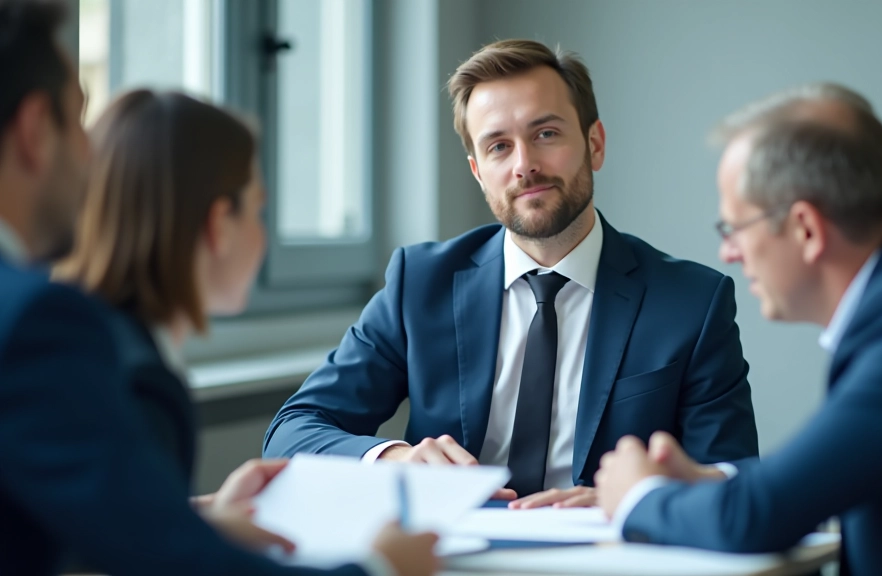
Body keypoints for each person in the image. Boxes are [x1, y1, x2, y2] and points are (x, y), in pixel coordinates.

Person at [0, 2, 436, 575]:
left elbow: (78, 523)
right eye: (257, 209)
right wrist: (380, 568)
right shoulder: (69, 338)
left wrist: (192, 522)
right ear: (215, 224)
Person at [594, 32, 882, 576]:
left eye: (734, 226)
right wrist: (716, 484)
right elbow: (859, 472)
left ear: (804, 228)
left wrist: (637, 496)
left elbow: (756, 518)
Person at [264, 39, 759, 507]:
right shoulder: (420, 284)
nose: (524, 165)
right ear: (479, 172)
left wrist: (639, 500)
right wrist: (397, 459)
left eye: (545, 134)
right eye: (498, 146)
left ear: (595, 144)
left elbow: (732, 479)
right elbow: (293, 431)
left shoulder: (692, 301)